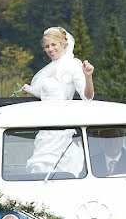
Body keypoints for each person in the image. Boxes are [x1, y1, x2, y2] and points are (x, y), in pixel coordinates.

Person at [21, 27, 95, 174]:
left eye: (54, 45)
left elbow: (88, 97)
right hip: (45, 124)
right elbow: (48, 95)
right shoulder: (48, 69)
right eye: (47, 46)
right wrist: (30, 90)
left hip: (61, 123)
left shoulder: (73, 65)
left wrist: (88, 77)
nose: (50, 49)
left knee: (58, 162)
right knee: (40, 164)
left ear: (64, 44)